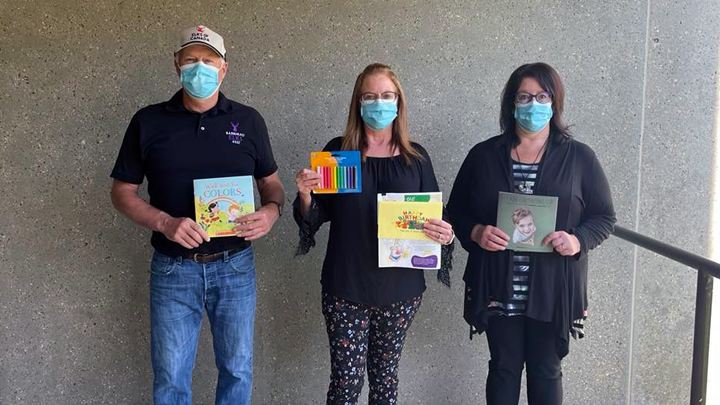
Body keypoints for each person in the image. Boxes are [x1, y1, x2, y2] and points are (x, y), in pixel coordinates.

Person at [109, 25, 284, 405]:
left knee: (238, 371)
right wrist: (164, 223)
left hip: (235, 266)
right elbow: (121, 193)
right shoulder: (148, 122)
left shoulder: (249, 121)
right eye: (191, 60)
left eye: (209, 61)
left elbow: (272, 186)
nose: (199, 68)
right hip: (173, 268)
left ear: (224, 69)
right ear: (176, 65)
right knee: (171, 377)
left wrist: (271, 212)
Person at [447, 62, 616, 405]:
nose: (533, 104)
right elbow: (455, 213)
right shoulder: (483, 155)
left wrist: (577, 240)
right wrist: (477, 232)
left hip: (553, 289)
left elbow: (604, 217)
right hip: (498, 285)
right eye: (524, 96)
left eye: (542, 96)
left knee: (546, 370)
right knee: (504, 369)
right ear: (511, 103)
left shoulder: (580, 157)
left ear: (555, 103)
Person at [293, 63, 454, 405]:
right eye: (370, 96)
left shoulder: (417, 159)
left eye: (386, 95)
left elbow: (437, 218)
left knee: (385, 382)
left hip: (400, 291)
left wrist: (444, 233)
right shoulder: (340, 154)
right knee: (345, 385)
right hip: (345, 288)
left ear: (398, 102)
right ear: (358, 103)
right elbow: (316, 218)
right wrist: (306, 194)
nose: (378, 103)